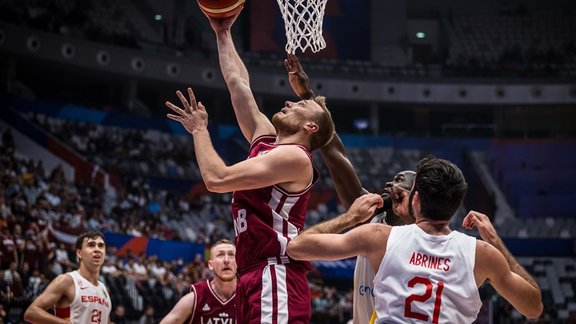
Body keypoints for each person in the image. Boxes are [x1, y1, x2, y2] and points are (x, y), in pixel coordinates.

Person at [165, 9, 335, 324]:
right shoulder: (266, 139)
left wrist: (200, 131)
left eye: (300, 105)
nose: (289, 102)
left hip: (276, 271)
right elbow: (237, 82)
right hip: (254, 274)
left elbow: (216, 179)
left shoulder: (296, 158)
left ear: (310, 128)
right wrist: (222, 32)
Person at [287, 156, 543, 323]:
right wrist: (496, 242)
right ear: (455, 208)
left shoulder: (379, 237)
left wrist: (351, 217)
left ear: (416, 199)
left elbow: (297, 247)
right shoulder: (483, 254)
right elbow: (533, 307)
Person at [285, 52, 417, 323]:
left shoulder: (423, 239)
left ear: (417, 199)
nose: (391, 183)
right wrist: (309, 98)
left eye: (401, 181)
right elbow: (335, 154)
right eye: (392, 179)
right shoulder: (372, 219)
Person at [24, 231, 112, 324]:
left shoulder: (104, 289)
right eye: (91, 245)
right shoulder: (67, 280)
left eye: (101, 246)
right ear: (79, 253)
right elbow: (31, 312)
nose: (97, 249)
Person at [160, 239, 237, 324]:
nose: (226, 260)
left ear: (239, 262)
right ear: (211, 265)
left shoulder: (248, 297)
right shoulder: (194, 298)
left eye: (231, 255)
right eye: (220, 255)